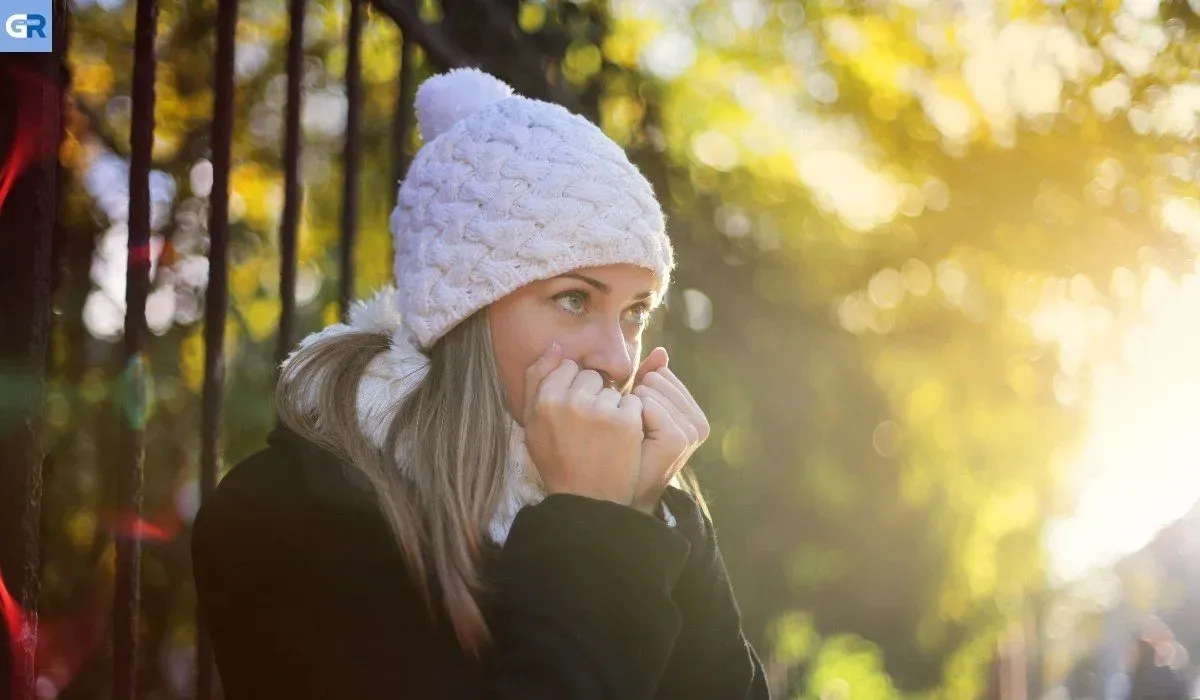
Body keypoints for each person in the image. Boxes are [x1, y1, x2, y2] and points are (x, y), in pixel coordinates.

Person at [191, 67, 771, 699]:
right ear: (464, 311)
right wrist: (596, 526)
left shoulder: (641, 502)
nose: (615, 359)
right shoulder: (286, 514)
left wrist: (648, 518)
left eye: (635, 311)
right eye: (574, 298)